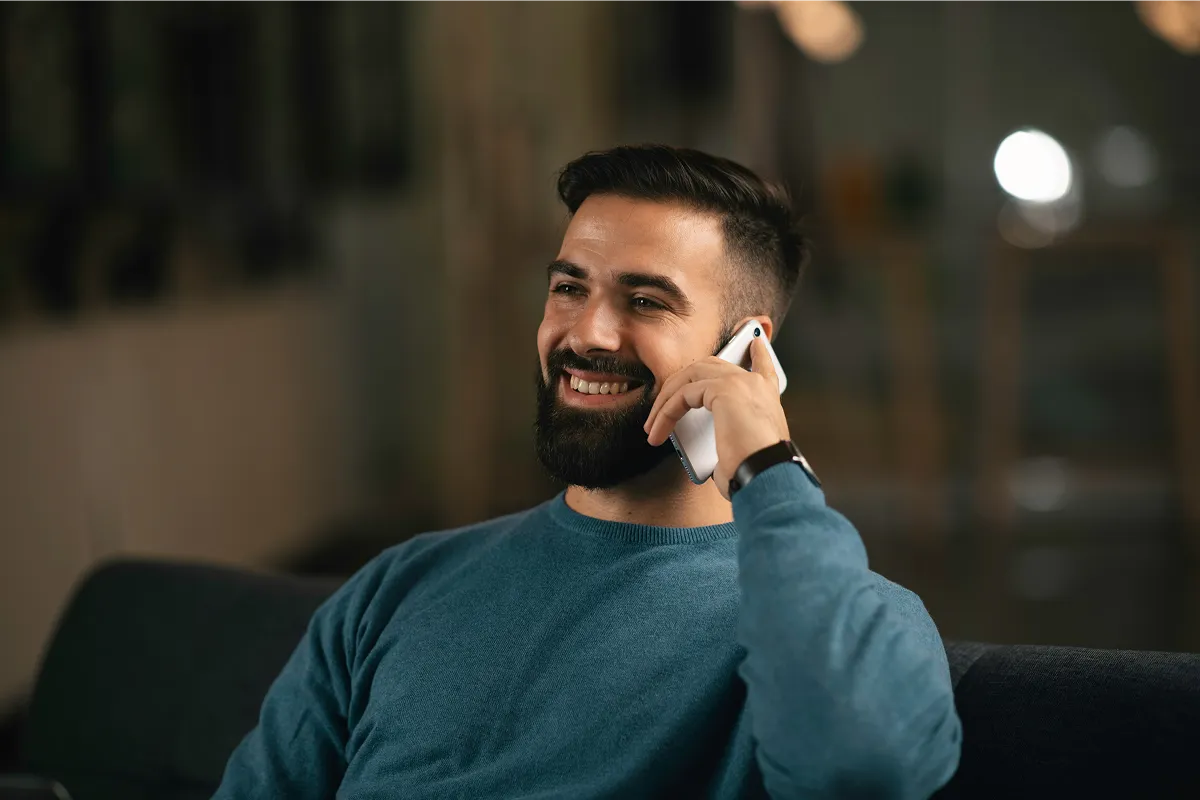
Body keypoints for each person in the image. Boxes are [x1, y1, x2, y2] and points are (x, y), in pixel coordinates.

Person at [213, 145, 962, 799]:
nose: (586, 334)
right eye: (570, 287)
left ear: (745, 353)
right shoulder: (398, 584)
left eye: (644, 301)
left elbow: (858, 773)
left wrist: (770, 464)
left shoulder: (844, 617)